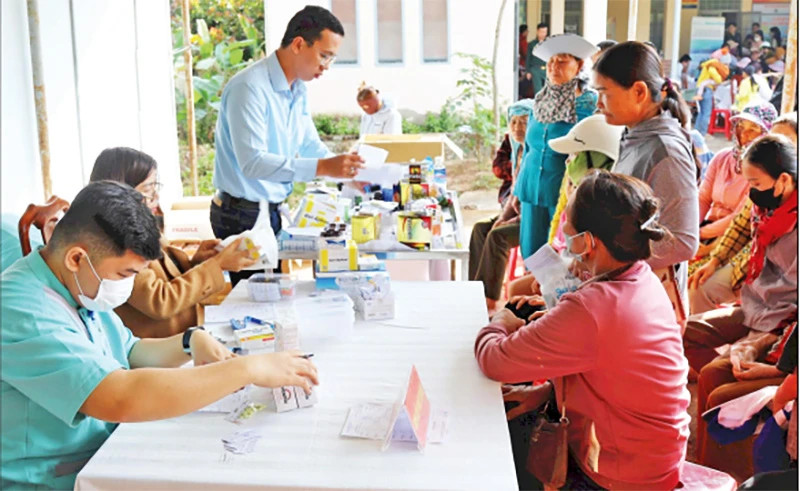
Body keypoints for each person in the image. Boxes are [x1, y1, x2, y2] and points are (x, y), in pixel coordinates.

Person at [0, 181, 319, 488]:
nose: (126, 285)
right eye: (124, 274)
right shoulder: (24, 311)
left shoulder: (76, 284)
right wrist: (248, 368)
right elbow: (118, 397)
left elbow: (131, 353)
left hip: (105, 450)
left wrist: (189, 341)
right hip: (54, 478)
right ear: (77, 258)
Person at [475, 171, 690, 489]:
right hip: (653, 455)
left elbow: (493, 360)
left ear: (587, 242)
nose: (563, 232)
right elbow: (619, 374)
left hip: (622, 472)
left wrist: (500, 321)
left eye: (568, 228)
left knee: (505, 449)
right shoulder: (642, 277)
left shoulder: (593, 308)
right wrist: (547, 392)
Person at [211, 6, 365, 286]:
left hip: (269, 209)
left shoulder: (297, 89)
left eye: (331, 58)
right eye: (324, 55)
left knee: (275, 298)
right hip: (241, 214)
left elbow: (308, 144)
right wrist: (323, 167)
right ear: (298, 44)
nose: (326, 66)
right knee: (255, 305)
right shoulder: (250, 88)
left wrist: (346, 171)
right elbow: (252, 162)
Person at [684, 135, 797, 478]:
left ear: (784, 180)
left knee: (720, 388)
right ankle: (710, 465)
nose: (750, 191)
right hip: (758, 307)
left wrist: (771, 362)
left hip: (781, 327)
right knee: (699, 353)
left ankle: (728, 471)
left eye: (755, 183)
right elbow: (736, 234)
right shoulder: (764, 208)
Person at [89, 147, 258, 338]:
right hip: (160, 349)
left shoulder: (143, 229)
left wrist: (197, 262)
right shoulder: (117, 245)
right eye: (147, 191)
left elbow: (168, 278)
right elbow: (160, 301)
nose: (156, 198)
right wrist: (217, 266)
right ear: (120, 194)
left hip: (185, 335)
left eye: (155, 188)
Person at [593, 41, 700, 328]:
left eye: (604, 93)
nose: (597, 104)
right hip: (621, 287)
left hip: (646, 302)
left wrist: (611, 259)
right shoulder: (636, 133)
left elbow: (684, 242)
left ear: (639, 92)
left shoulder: (666, 151)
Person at [688, 113, 796, 315]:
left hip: (780, 294)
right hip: (750, 263)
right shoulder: (759, 182)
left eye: (786, 142)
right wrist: (715, 260)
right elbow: (739, 226)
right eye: (772, 140)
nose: (776, 148)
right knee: (698, 284)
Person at [516, 34, 598, 260]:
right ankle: (526, 295)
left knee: (560, 256)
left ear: (579, 65)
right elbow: (529, 148)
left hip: (563, 192)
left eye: (562, 61)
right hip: (531, 187)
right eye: (551, 62)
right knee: (531, 254)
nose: (554, 67)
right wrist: (517, 189)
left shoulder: (590, 105)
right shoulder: (540, 100)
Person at [691, 102, 778, 270]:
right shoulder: (722, 157)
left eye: (753, 129)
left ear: (767, 134)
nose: (745, 134)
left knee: (694, 279)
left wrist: (700, 235)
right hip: (706, 228)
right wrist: (693, 228)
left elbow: (738, 218)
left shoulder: (764, 171)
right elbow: (703, 198)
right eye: (741, 126)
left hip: (735, 238)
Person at [470, 100, 534, 313]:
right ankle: (474, 290)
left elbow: (529, 200)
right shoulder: (518, 152)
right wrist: (502, 217)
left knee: (497, 237)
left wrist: (510, 220)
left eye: (524, 122)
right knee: (481, 229)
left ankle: (488, 301)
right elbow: (514, 192)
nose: (517, 128)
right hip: (516, 214)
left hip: (532, 219)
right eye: (513, 122)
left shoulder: (536, 154)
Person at [524, 23, 549, 97]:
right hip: (536, 69)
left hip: (547, 69)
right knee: (537, 90)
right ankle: (539, 105)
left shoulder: (549, 43)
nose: (543, 34)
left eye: (545, 32)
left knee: (548, 89)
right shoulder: (532, 44)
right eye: (541, 32)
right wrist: (528, 71)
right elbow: (528, 58)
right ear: (537, 31)